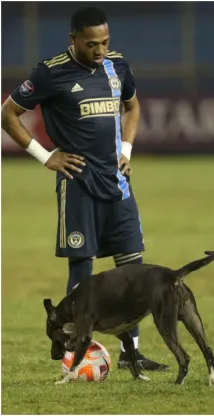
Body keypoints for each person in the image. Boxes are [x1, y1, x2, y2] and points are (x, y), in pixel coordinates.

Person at [0, 6, 168, 371]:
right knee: (82, 271)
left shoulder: (117, 65)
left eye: (105, 42)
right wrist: (45, 157)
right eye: (92, 44)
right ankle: (78, 352)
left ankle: (131, 353)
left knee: (132, 269)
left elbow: (133, 107)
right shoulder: (50, 72)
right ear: (73, 39)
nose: (100, 50)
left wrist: (126, 149)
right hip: (78, 185)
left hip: (118, 183)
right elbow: (7, 114)